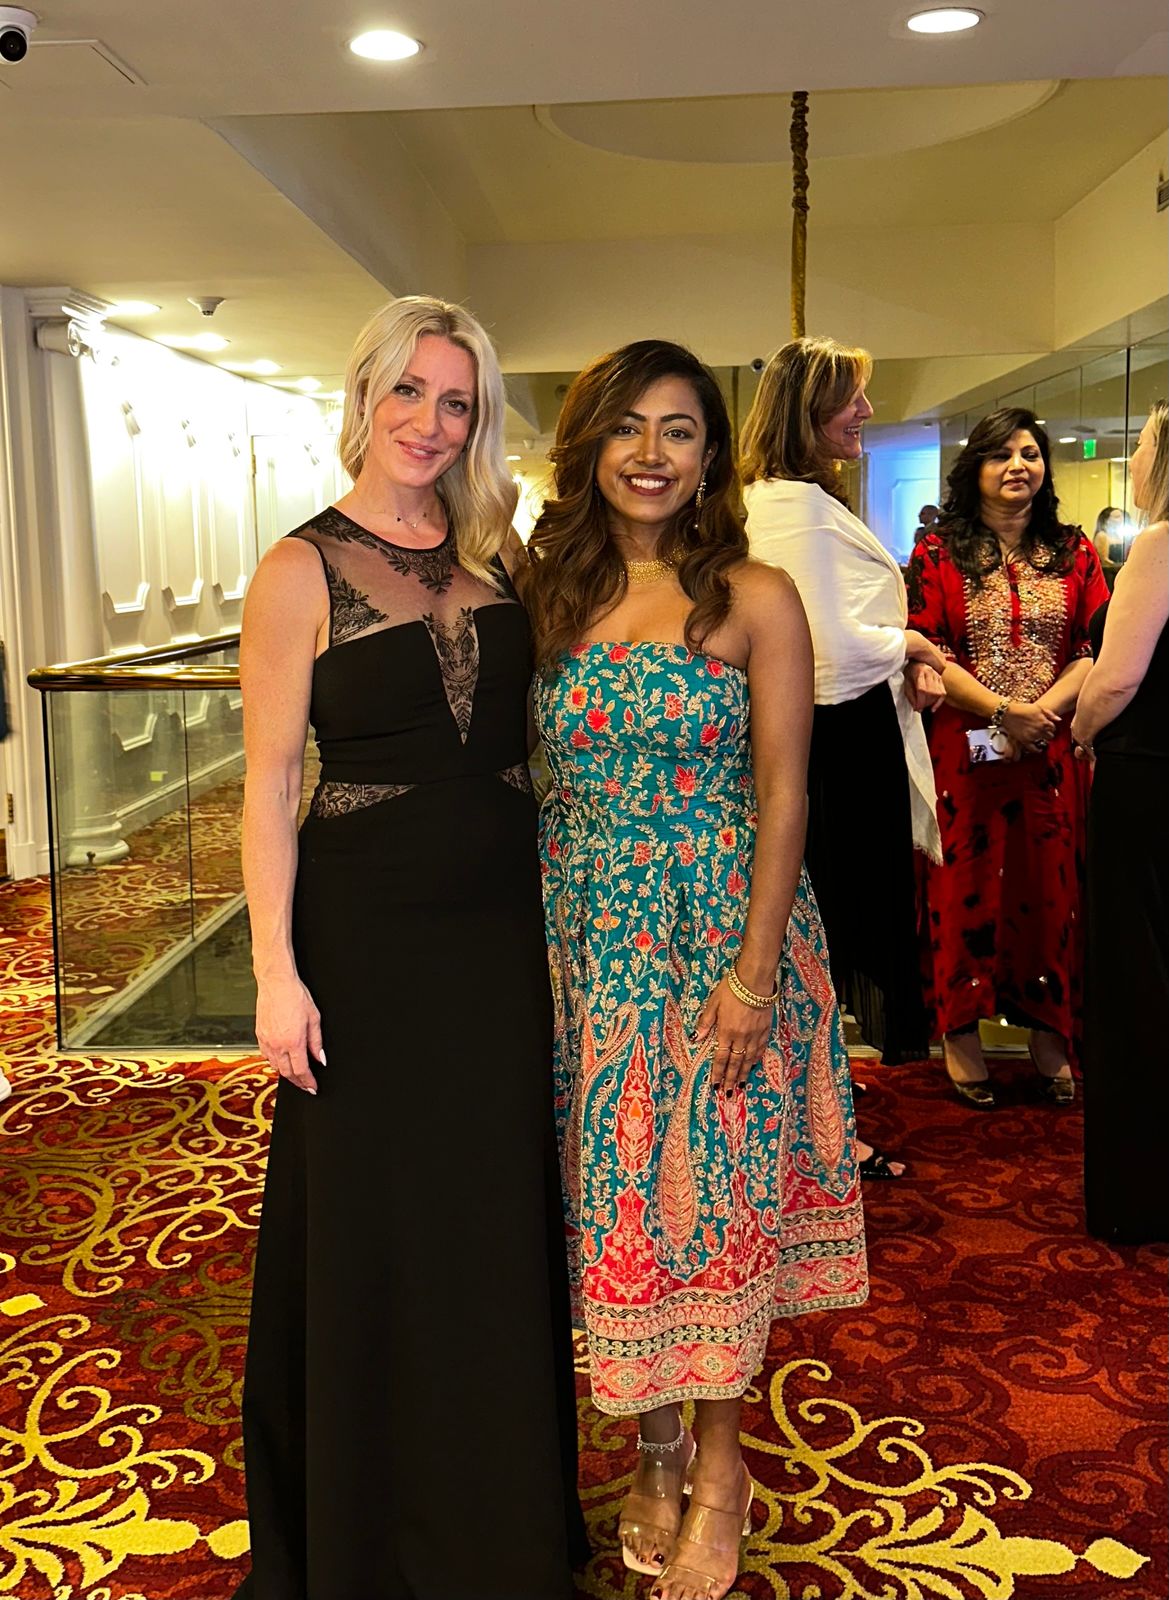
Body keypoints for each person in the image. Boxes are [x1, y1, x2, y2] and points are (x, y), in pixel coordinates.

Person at [235, 296, 585, 1600]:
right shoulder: (296, 570)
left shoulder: (501, 558)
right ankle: (371, 1538)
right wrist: (275, 973)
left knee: (485, 1218)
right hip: (363, 944)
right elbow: (271, 785)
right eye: (409, 392)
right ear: (364, 396)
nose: (430, 423)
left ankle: (493, 1531)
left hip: (493, 941)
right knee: (373, 1223)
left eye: (456, 401)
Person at [525, 340, 867, 1600]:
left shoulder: (754, 594)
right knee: (620, 1206)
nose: (650, 453)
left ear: (711, 453)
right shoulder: (545, 594)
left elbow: (785, 794)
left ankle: (720, 1470)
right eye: (626, 426)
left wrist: (753, 975)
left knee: (714, 1206)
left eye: (678, 429)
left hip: (720, 932)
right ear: (587, 445)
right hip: (585, 941)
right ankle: (653, 1448)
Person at [740, 338, 947, 1183]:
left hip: (828, 740)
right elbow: (821, 650)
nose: (864, 410)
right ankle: (813, 1129)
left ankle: (812, 1111)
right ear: (805, 410)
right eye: (849, 397)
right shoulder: (791, 507)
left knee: (809, 942)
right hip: (830, 748)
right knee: (812, 942)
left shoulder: (789, 499)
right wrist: (909, 643)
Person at [907, 408, 1109, 1108]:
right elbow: (928, 649)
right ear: (975, 470)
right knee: (961, 888)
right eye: (1001, 455)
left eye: (1030, 453)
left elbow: (1093, 646)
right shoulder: (938, 554)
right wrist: (1002, 711)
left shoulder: (1074, 551)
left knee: (1051, 891)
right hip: (964, 755)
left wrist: (1040, 711)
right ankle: (960, 1033)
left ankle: (1048, 1034)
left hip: (1049, 748)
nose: (1018, 466)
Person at [1072, 402, 1169, 1244]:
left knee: (1138, 978)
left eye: (1138, 443)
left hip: (1147, 780)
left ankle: (1141, 1193)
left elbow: (1114, 679)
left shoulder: (1161, 544)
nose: (1131, 456)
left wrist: (1078, 730)